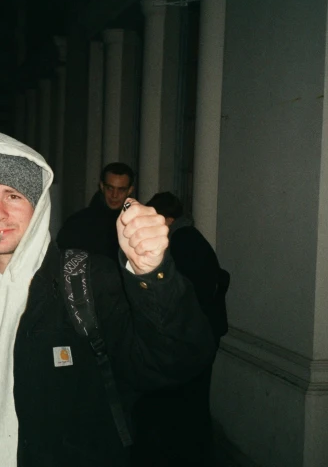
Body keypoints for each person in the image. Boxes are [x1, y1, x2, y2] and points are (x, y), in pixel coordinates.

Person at [0, 132, 215, 467]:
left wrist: (152, 275)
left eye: (13, 195)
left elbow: (177, 359)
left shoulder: (87, 283)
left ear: (37, 207)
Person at [132, 191, 226, 467]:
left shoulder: (184, 243)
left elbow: (182, 297)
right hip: (198, 337)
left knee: (186, 411)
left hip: (193, 340)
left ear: (169, 220)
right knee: (190, 410)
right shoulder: (188, 238)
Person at [55, 162, 135, 264]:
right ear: (102, 186)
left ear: (129, 191)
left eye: (121, 190)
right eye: (110, 188)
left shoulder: (135, 224)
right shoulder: (78, 223)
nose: (114, 195)